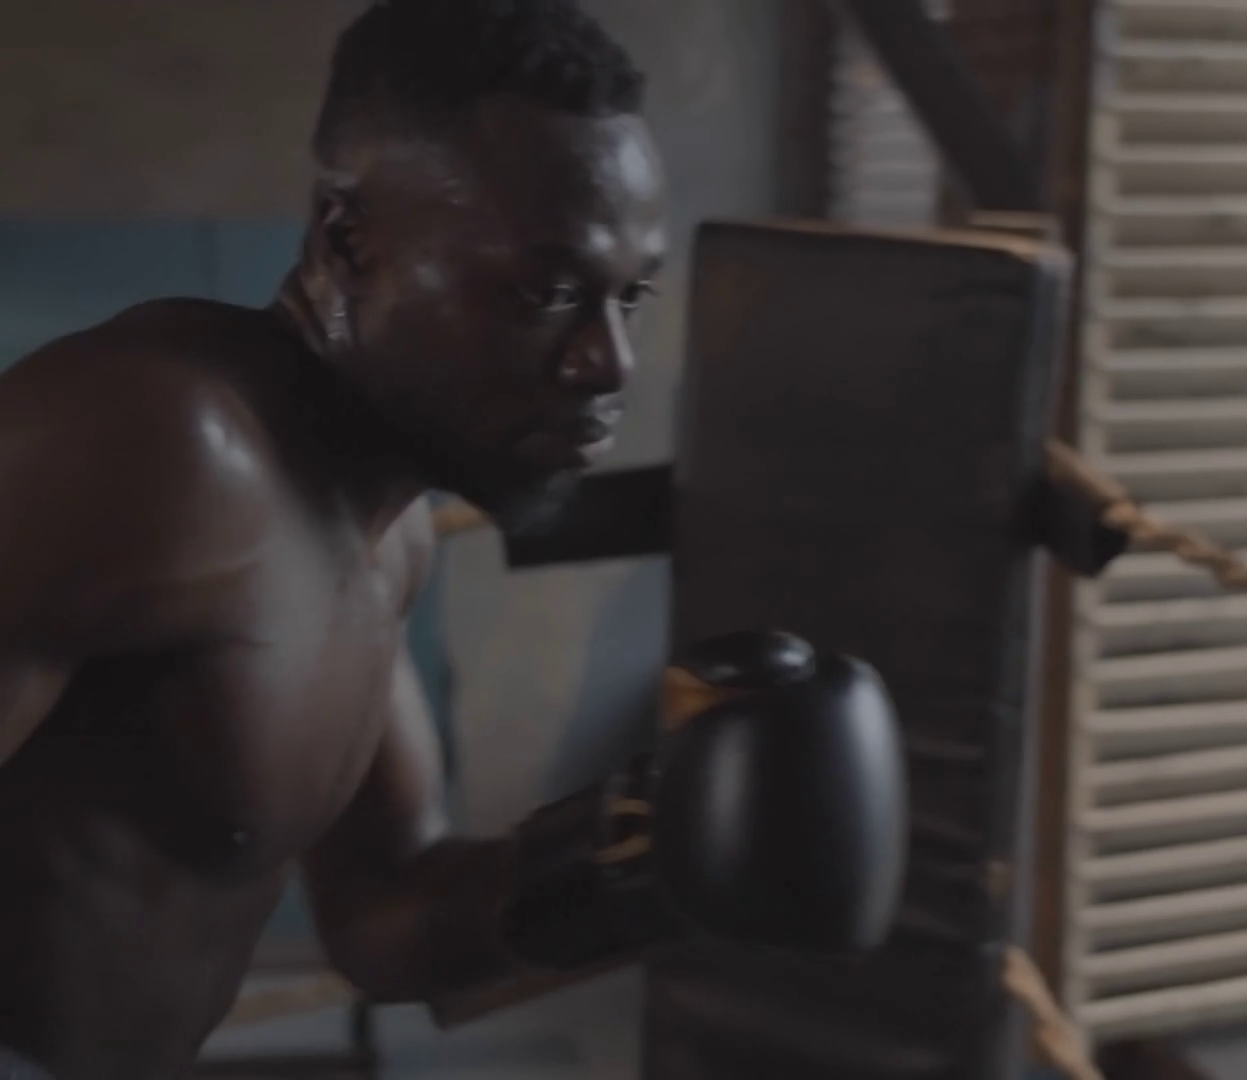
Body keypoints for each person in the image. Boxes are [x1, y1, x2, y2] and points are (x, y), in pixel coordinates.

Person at [0, 3, 906, 1078]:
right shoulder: (158, 446)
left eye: (629, 296)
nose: (608, 361)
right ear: (350, 240)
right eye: (548, 292)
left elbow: (384, 915)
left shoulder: (389, 540)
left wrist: (638, 848)